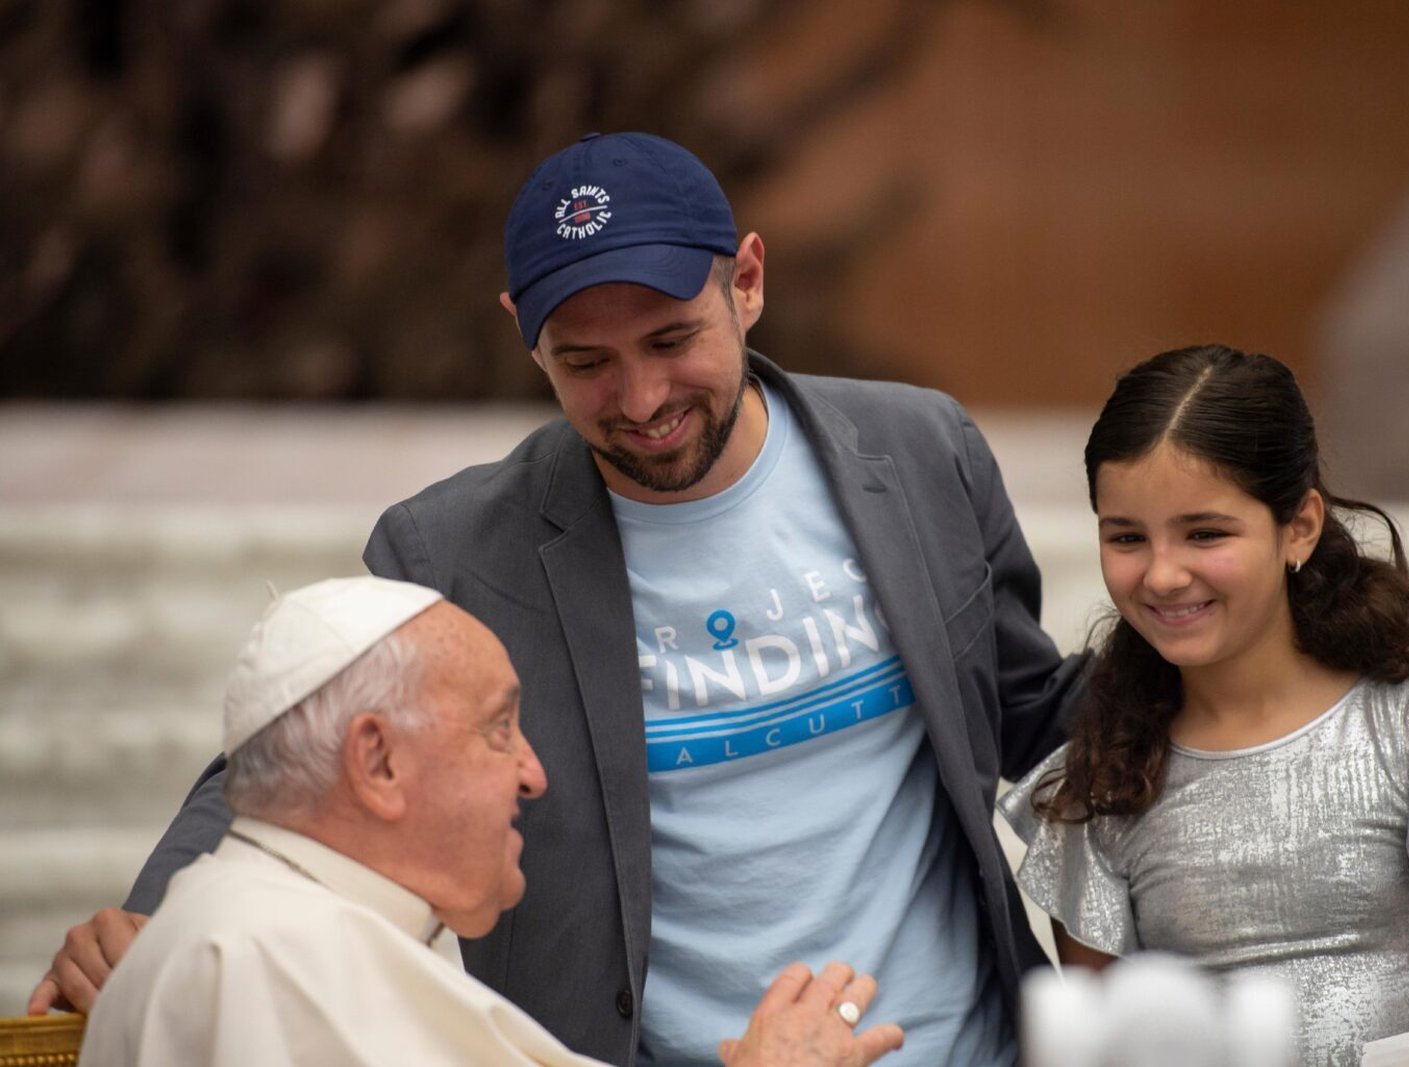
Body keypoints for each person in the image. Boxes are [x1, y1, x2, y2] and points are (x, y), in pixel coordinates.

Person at [34, 132, 1086, 1065]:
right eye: (586, 363)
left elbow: (1028, 711)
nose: (641, 400)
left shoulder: (921, 451)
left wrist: (1185, 625)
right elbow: (295, 759)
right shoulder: (454, 548)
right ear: (522, 331)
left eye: (671, 341)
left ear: (747, 281)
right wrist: (149, 918)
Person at [999, 344, 1409, 1066]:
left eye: (1205, 533)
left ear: (1299, 525)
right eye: (1127, 537)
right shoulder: (1099, 792)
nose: (1163, 574)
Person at [78, 576, 903, 1066]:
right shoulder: (268, 957)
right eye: (499, 726)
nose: (534, 773)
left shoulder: (311, 931)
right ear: (378, 760)